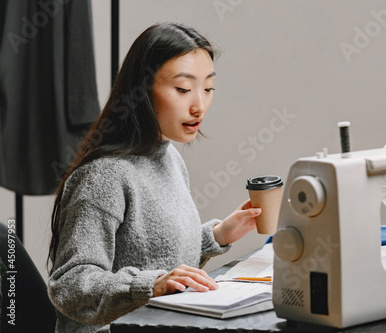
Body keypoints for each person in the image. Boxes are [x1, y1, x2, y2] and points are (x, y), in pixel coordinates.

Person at [47, 22, 261, 333]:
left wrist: (218, 236)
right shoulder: (103, 175)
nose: (199, 105)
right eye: (184, 89)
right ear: (141, 91)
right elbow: (70, 285)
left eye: (208, 88)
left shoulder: (168, 155)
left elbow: (162, 259)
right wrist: (151, 284)